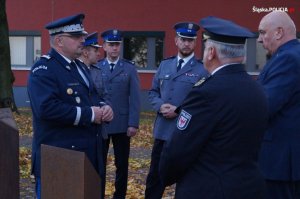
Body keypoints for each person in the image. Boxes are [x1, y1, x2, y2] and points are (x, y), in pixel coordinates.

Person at [159, 16, 269, 199]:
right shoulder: (257, 89)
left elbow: (178, 151)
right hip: (249, 188)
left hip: (208, 189)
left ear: (211, 52)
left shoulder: (205, 93)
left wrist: (165, 176)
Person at [27, 14, 113, 199]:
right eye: (76, 37)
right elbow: (46, 108)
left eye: (82, 35)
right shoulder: (44, 69)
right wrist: (90, 114)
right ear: (59, 41)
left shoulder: (78, 67)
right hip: (60, 160)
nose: (83, 40)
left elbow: (92, 96)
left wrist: (105, 107)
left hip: (87, 156)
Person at [145, 22, 208, 199]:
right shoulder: (165, 65)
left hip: (185, 133)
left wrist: (179, 110)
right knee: (155, 177)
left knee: (186, 178)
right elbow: (153, 91)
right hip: (163, 131)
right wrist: (159, 105)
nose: (186, 43)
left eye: (190, 40)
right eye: (183, 39)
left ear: (195, 43)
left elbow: (202, 100)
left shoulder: (202, 69)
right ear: (176, 41)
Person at [257, 11, 300, 199]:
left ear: (278, 32)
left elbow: (264, 106)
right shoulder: (292, 54)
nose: (259, 39)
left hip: (280, 163)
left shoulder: (287, 59)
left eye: (262, 32)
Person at [97, 29, 141, 199]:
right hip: (101, 123)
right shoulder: (97, 66)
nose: (115, 48)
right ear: (104, 46)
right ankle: (98, 194)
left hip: (123, 124)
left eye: (117, 45)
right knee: (99, 163)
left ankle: (119, 196)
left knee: (122, 165)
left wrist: (133, 123)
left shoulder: (129, 68)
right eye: (111, 45)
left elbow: (136, 98)